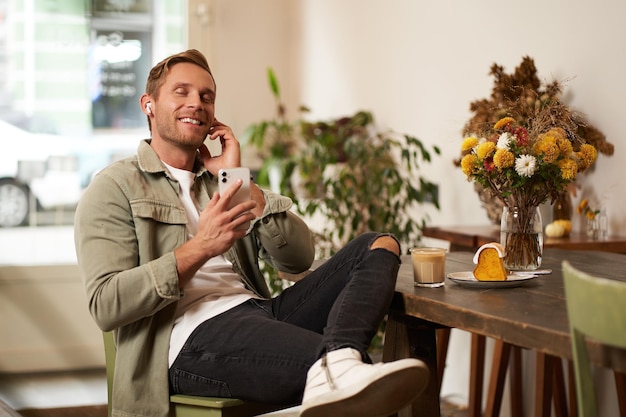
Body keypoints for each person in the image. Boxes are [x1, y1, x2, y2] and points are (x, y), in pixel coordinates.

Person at [74, 49, 429, 417]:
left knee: (377, 244)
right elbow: (106, 304)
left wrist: (239, 181)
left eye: (206, 96)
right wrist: (201, 246)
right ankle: (336, 366)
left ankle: (336, 362)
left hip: (259, 311)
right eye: (182, 92)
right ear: (149, 104)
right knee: (360, 378)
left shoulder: (226, 181)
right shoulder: (115, 187)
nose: (197, 103)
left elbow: (297, 258)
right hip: (187, 340)